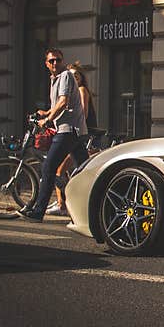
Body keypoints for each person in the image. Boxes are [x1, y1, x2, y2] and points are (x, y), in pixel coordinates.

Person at [19, 48, 88, 222]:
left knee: (48, 168)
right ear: (46, 64)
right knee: (85, 172)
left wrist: (48, 120)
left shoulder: (64, 76)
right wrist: (46, 112)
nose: (55, 63)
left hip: (68, 131)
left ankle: (38, 212)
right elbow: (61, 103)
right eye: (51, 61)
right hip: (74, 131)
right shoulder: (54, 80)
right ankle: (92, 207)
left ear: (62, 61)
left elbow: (63, 102)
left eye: (58, 60)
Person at [47, 62, 96, 216]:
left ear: (81, 78)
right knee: (77, 169)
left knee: (59, 170)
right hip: (78, 134)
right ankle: (65, 202)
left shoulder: (81, 90)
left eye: (76, 76)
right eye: (71, 76)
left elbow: (83, 113)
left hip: (79, 134)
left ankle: (65, 204)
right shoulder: (72, 91)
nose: (73, 79)